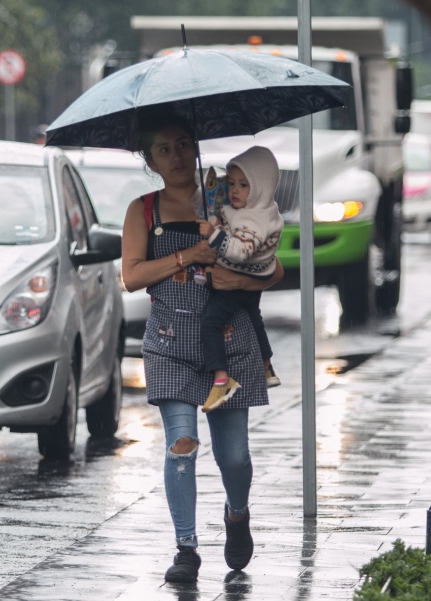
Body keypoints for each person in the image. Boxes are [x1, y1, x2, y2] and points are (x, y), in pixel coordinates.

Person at [120, 109, 284, 583]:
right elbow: (131, 276)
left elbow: (275, 267)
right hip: (169, 346)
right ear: (149, 160)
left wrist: (239, 276)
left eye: (183, 144)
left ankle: (237, 512)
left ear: (196, 147)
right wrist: (187, 255)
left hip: (228, 347)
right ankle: (186, 548)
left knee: (234, 455)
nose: (175, 156)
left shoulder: (230, 201)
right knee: (181, 446)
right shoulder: (143, 211)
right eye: (163, 149)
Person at [196, 148, 284, 411]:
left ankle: (221, 379)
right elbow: (229, 222)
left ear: (260, 188)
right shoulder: (258, 208)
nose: (235, 191)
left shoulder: (254, 218)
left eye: (244, 185)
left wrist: (213, 234)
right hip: (257, 276)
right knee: (254, 317)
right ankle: (267, 366)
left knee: (211, 322)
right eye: (232, 183)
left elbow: (240, 251)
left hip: (239, 276)